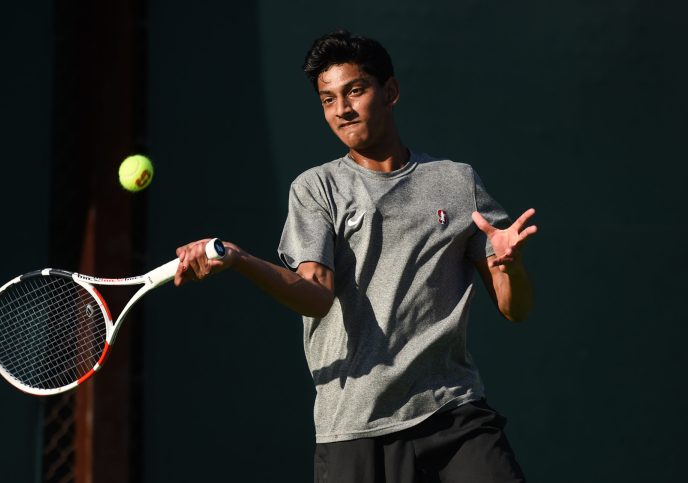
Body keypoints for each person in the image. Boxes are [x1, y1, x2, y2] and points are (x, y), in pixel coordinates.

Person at [174, 30, 537, 483]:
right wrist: (242, 260)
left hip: (454, 414)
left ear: (391, 92)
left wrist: (511, 268)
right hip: (355, 428)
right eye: (328, 99)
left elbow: (514, 309)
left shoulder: (457, 182)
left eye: (355, 91)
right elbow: (315, 296)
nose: (342, 109)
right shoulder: (316, 189)